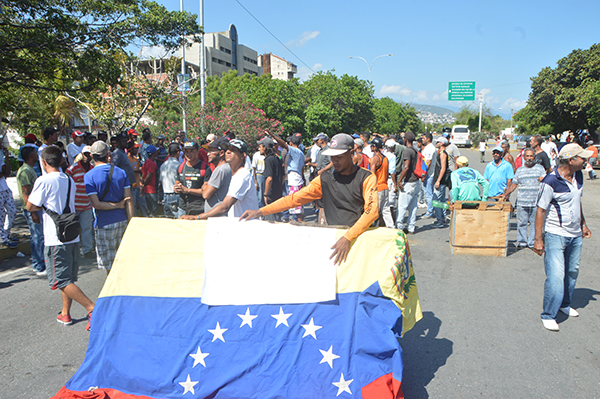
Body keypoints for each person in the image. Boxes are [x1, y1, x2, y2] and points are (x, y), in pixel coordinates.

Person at [240, 133, 378, 266]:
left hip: (360, 240)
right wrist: (260, 212)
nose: (334, 161)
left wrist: (348, 237)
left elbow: (372, 211)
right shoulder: (325, 179)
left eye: (339, 157)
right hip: (335, 240)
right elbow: (294, 199)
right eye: (332, 157)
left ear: (351, 153)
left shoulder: (366, 177)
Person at [27, 145, 95, 329]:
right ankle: (65, 313)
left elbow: (30, 206)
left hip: (55, 237)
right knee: (68, 278)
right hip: (71, 234)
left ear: (43, 162)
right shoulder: (68, 178)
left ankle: (92, 308)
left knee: (61, 281)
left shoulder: (43, 180)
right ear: (62, 160)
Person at [534, 143, 593, 332]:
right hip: (555, 234)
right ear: (570, 160)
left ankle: (564, 304)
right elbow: (541, 210)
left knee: (572, 271)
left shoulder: (578, 176)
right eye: (582, 158)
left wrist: (583, 224)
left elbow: (577, 202)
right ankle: (549, 314)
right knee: (556, 276)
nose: (586, 161)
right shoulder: (551, 181)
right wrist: (538, 239)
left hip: (575, 234)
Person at [84, 141, 134, 273]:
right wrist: (131, 222)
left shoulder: (89, 176)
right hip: (122, 221)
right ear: (108, 154)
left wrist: (115, 205)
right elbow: (129, 200)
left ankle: (114, 290)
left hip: (104, 223)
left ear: (91, 155)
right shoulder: (121, 172)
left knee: (110, 266)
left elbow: (96, 204)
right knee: (124, 260)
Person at [183, 139, 258, 220]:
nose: (228, 152)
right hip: (236, 224)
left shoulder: (242, 175)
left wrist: (197, 217)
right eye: (227, 149)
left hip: (245, 226)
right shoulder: (234, 174)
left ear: (242, 155)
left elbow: (225, 207)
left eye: (233, 150)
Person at [501, 148, 545, 248]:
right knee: (521, 223)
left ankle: (531, 242)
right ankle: (522, 242)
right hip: (522, 202)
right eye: (527, 156)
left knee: (535, 223)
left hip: (536, 202)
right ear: (524, 157)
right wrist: (506, 194)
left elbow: (546, 181)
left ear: (534, 157)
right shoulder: (520, 170)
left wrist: (543, 179)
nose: (529, 158)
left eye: (531, 156)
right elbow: (514, 184)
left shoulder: (540, 169)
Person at [16, 146, 46, 274]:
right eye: (34, 153)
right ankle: (39, 266)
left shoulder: (29, 169)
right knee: (38, 237)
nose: (36, 155)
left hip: (35, 207)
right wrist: (33, 212)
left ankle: (36, 263)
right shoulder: (25, 171)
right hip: (32, 208)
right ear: (30, 156)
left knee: (36, 237)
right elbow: (25, 192)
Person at [65, 145, 95, 258]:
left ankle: (87, 250)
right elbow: (66, 180)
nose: (87, 157)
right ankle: (74, 251)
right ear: (82, 155)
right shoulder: (73, 168)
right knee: (74, 229)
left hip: (87, 204)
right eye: (85, 154)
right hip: (74, 204)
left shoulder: (92, 168)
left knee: (87, 228)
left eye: (89, 154)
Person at [271, 134, 306, 222]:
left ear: (291, 142)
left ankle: (298, 223)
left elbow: (283, 144)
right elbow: (302, 168)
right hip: (297, 179)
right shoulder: (301, 153)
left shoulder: (294, 151)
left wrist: (273, 136)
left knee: (296, 206)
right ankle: (298, 222)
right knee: (297, 206)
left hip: (294, 180)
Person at [175, 141, 212, 217]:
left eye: (192, 151)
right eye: (186, 151)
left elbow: (206, 191)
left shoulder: (205, 168)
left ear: (197, 152)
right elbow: (177, 185)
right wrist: (177, 188)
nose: (188, 154)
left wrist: (188, 190)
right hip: (183, 208)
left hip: (198, 208)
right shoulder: (180, 167)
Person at [395, 132, 421, 234]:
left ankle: (399, 227)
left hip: (408, 182)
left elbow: (406, 167)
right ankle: (411, 227)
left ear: (406, 139)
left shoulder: (407, 151)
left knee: (402, 206)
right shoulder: (415, 150)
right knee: (413, 207)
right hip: (416, 182)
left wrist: (400, 180)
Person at [202, 138, 232, 213]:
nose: (208, 154)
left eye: (211, 151)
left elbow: (206, 195)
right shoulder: (227, 167)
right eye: (208, 151)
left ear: (221, 153)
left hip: (217, 216)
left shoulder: (220, 170)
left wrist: (204, 187)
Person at [369, 137, 394, 228]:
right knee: (386, 210)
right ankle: (391, 228)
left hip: (377, 187)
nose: (371, 147)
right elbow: (387, 174)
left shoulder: (374, 159)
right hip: (385, 186)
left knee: (374, 210)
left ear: (375, 147)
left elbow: (372, 175)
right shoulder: (385, 158)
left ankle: (372, 227)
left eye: (372, 145)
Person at [111, 132, 137, 207]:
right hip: (123, 185)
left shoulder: (123, 152)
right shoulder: (117, 153)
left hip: (129, 184)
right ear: (118, 143)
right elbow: (113, 168)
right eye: (123, 141)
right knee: (128, 205)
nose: (126, 143)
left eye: (126, 141)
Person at [0, 141, 17, 248]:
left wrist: (7, 157)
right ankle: (3, 238)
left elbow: (7, 172)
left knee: (12, 211)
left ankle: (7, 233)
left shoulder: (0, 157)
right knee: (1, 216)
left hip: (5, 188)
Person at [431, 137, 451, 227]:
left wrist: (438, 181)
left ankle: (439, 220)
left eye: (438, 142)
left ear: (442, 143)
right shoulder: (440, 152)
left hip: (441, 181)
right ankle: (443, 218)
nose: (437, 143)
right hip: (441, 181)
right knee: (442, 200)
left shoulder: (443, 154)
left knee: (436, 201)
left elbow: (443, 168)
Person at [160, 143, 181, 218]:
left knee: (168, 219)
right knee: (177, 218)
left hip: (165, 195)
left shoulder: (163, 165)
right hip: (174, 194)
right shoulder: (178, 165)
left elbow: (161, 181)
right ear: (177, 152)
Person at [140, 145, 159, 217]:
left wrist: (142, 185)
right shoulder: (152, 164)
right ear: (154, 153)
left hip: (146, 190)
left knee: (149, 209)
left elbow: (142, 175)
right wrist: (144, 184)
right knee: (153, 211)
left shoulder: (145, 163)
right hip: (151, 190)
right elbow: (149, 176)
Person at [421, 133, 437, 218]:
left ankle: (430, 211)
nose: (422, 140)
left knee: (428, 194)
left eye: (423, 138)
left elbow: (428, 162)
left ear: (428, 139)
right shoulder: (428, 148)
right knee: (428, 193)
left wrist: (424, 174)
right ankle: (430, 209)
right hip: (428, 173)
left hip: (429, 174)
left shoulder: (430, 148)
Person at [127, 143, 142, 215]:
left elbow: (138, 168)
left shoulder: (136, 158)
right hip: (132, 185)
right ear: (130, 149)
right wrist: (137, 170)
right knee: (134, 204)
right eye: (135, 148)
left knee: (142, 203)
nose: (137, 150)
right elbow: (129, 171)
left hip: (138, 184)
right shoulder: (127, 159)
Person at [252, 140, 267, 207]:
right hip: (259, 175)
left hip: (266, 174)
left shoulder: (266, 155)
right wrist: (255, 181)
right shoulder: (256, 155)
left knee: (265, 193)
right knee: (260, 195)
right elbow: (254, 168)